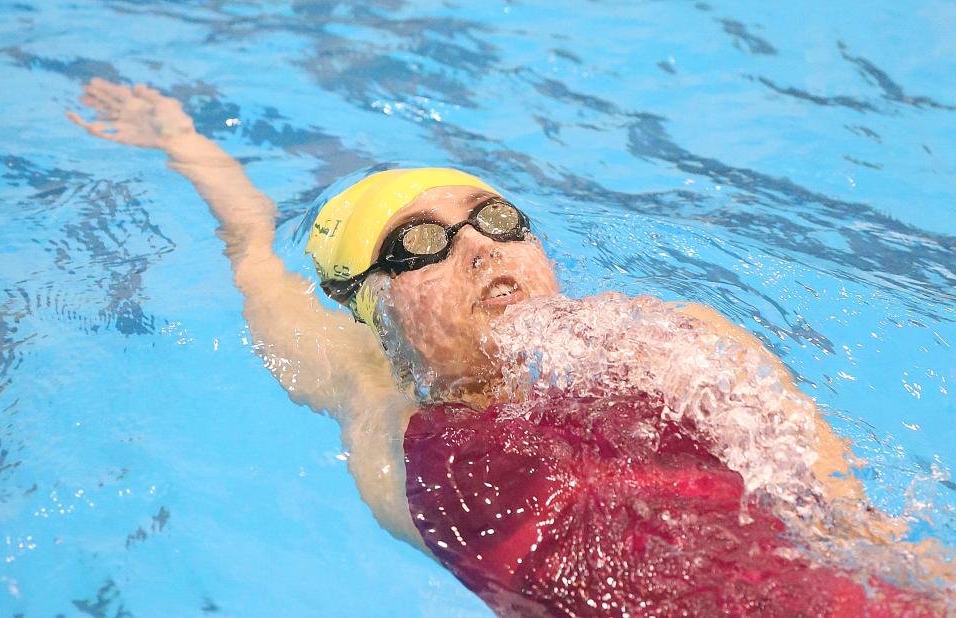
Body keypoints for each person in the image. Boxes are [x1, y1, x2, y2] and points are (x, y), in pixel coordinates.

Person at [69, 78, 950, 616]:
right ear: (373, 308)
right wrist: (183, 145)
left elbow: (853, 525)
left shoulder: (663, 347)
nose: (483, 247)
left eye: (495, 218)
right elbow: (256, 263)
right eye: (419, 245)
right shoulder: (377, 411)